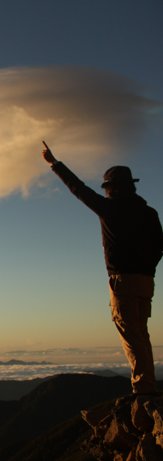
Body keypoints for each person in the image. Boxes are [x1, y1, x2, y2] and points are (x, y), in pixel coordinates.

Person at [42, 141, 163, 396]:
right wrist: (147, 268)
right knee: (142, 333)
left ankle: (144, 391)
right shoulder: (149, 213)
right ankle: (148, 385)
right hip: (146, 281)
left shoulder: (109, 210)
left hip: (123, 282)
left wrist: (55, 164)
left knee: (131, 335)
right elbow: (159, 247)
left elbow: (79, 189)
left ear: (112, 189)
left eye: (107, 188)